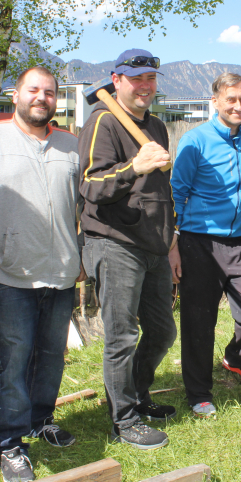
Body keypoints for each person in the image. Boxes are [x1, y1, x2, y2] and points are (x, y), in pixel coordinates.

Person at [0, 66, 82, 482]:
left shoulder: (71, 146)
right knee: (13, 361)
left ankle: (41, 419)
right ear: (16, 96)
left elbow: (87, 205)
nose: (41, 98)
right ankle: (9, 443)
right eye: (33, 90)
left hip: (61, 274)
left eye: (49, 92)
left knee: (51, 356)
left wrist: (80, 253)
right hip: (8, 276)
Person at [79, 48, 178, 449]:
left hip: (153, 244)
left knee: (162, 330)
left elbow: (159, 190)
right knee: (121, 336)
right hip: (115, 242)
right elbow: (90, 184)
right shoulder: (103, 121)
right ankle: (124, 419)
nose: (145, 85)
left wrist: (170, 239)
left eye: (151, 78)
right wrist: (134, 166)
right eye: (136, 78)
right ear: (116, 81)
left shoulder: (154, 125)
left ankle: (136, 394)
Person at [171, 73, 241, 419]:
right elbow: (176, 191)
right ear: (215, 102)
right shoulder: (195, 141)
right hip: (199, 241)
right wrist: (175, 243)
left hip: (239, 240)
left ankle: (236, 359)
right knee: (199, 321)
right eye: (231, 100)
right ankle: (199, 393)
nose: (239, 106)